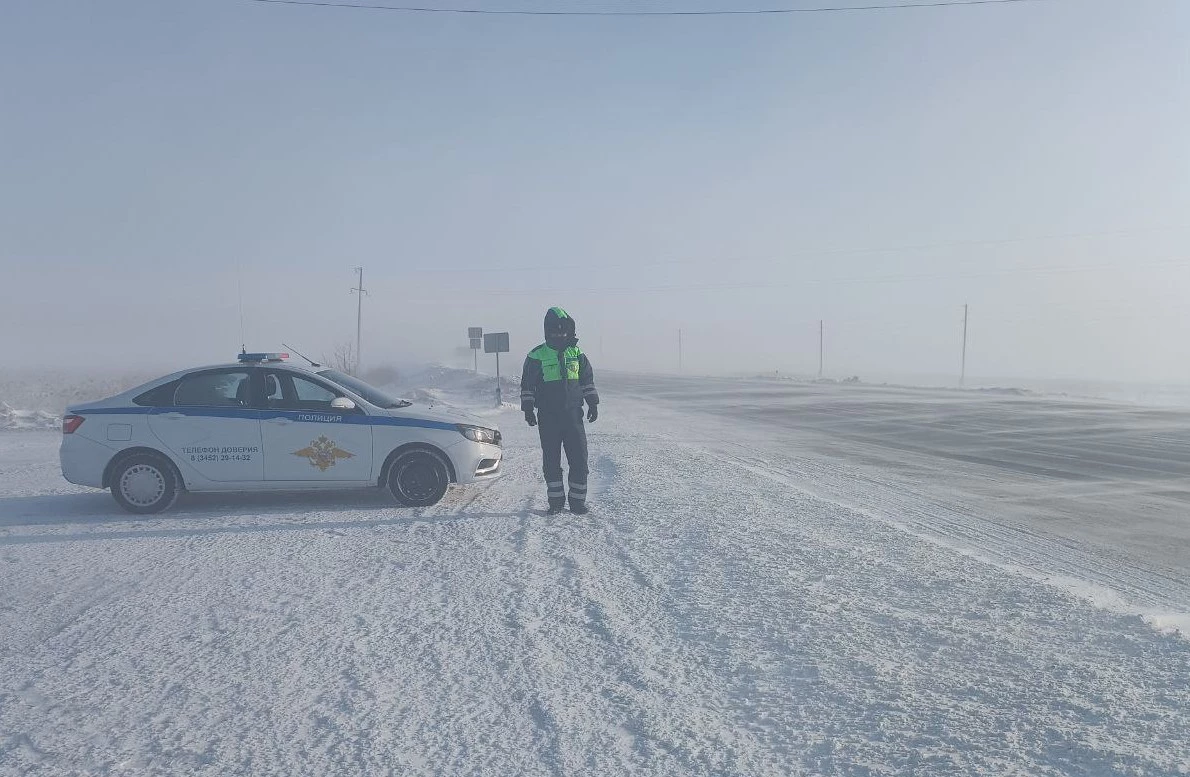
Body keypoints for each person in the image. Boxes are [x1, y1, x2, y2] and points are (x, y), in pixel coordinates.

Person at [520, 307, 599, 514]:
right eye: (554, 331)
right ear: (547, 331)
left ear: (569, 331)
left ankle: (577, 502)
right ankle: (555, 503)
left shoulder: (577, 353)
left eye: (563, 331)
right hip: (548, 418)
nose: (559, 335)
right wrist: (528, 409)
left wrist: (593, 403)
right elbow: (527, 385)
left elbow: (587, 381)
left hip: (574, 416)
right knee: (552, 462)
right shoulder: (536, 355)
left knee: (580, 460)